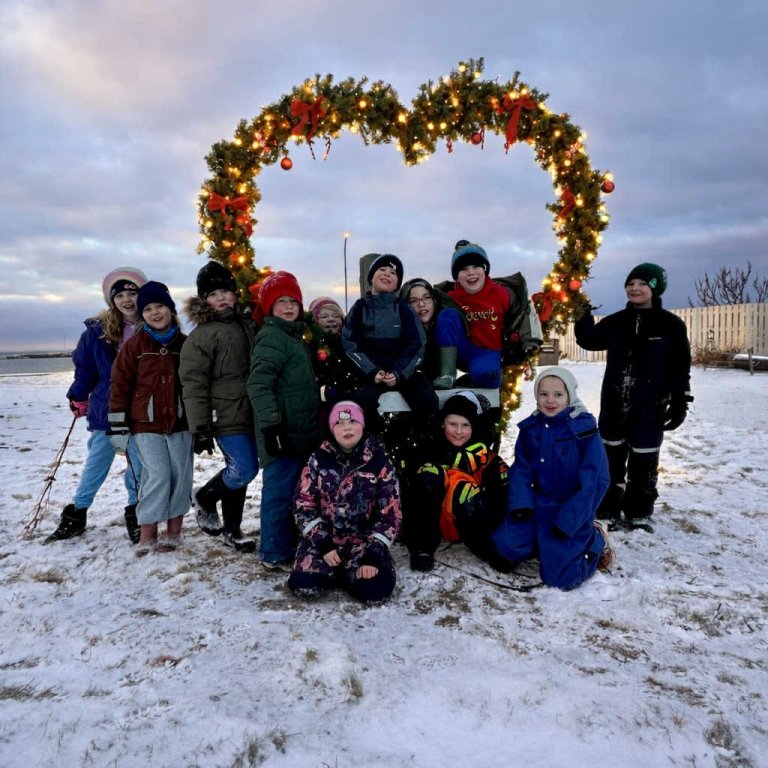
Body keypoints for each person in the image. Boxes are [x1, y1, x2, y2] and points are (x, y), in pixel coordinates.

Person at [574, 263, 693, 532]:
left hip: (650, 406)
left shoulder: (670, 325)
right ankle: (608, 508)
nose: (634, 288)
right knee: (611, 456)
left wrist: (680, 401)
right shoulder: (616, 322)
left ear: (654, 288)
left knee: (644, 459)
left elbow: (680, 366)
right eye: (630, 284)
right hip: (615, 403)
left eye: (642, 284)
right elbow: (589, 340)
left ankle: (639, 511)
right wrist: (581, 312)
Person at [45, 267, 148, 545]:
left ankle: (135, 513)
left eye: (133, 293)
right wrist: (78, 397)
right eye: (121, 295)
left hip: (140, 409)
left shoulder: (151, 325)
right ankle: (77, 513)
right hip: (106, 407)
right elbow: (85, 369)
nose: (127, 300)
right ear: (111, 300)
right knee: (96, 462)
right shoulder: (97, 331)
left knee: (138, 465)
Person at [491, 367, 615, 590]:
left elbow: (595, 482)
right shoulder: (530, 429)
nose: (550, 400)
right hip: (537, 505)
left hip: (568, 509)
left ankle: (594, 543)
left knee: (559, 579)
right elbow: (521, 469)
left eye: (558, 394)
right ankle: (543, 544)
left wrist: (570, 520)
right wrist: (521, 504)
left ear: (569, 396)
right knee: (506, 549)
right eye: (543, 394)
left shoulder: (584, 431)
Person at [180, 261, 259, 553]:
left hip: (252, 411)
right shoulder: (203, 336)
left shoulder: (248, 324)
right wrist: (200, 427)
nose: (222, 298)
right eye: (214, 294)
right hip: (224, 415)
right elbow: (193, 384)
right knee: (244, 469)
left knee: (241, 470)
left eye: (226, 291)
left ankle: (232, 530)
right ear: (204, 300)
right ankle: (204, 497)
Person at [288, 400, 401, 603]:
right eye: (339, 423)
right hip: (325, 542)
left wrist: (373, 554)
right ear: (331, 429)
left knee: (376, 590)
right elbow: (303, 506)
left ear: (363, 425)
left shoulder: (379, 462)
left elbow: (390, 514)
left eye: (352, 421)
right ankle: (333, 571)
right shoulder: (318, 459)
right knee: (304, 585)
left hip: (364, 544)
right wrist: (322, 543)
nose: (346, 427)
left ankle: (355, 571)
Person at [109, 281, 192, 556]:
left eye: (160, 307)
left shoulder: (185, 345)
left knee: (180, 476)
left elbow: (196, 385)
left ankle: (174, 532)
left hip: (181, 424)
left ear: (170, 309)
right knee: (156, 476)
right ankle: (147, 534)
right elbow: (119, 386)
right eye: (148, 309)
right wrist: (118, 425)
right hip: (145, 425)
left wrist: (201, 422)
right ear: (142, 314)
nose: (155, 313)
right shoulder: (134, 347)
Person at [246, 271, 321, 571]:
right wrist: (273, 426)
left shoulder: (291, 336)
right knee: (278, 492)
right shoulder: (273, 336)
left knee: (294, 492)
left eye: (294, 301)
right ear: (268, 307)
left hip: (298, 432)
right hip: (281, 433)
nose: (289, 307)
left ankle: (287, 545)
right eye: (281, 302)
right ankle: (273, 552)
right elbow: (258, 385)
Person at [407, 391, 509, 572]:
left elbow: (502, 492)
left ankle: (484, 545)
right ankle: (423, 546)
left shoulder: (485, 456)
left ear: (474, 426)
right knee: (429, 475)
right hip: (437, 518)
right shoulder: (430, 449)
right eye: (452, 424)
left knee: (466, 490)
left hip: (469, 517)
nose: (459, 431)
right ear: (442, 423)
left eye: (465, 425)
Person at [342, 254, 438, 425]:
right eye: (382, 269)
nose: (387, 274)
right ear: (371, 277)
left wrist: (399, 372)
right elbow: (350, 344)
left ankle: (418, 437)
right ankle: (372, 441)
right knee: (361, 402)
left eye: (393, 273)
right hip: (371, 374)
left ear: (397, 284)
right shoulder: (359, 308)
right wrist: (371, 371)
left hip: (401, 371)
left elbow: (417, 344)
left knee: (427, 400)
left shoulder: (404, 309)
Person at [435, 240, 542, 389]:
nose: (471, 272)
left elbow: (523, 311)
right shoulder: (448, 297)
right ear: (456, 276)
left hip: (487, 352)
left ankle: (474, 377)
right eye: (464, 269)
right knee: (447, 315)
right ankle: (447, 375)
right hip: (459, 349)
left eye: (476, 266)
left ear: (485, 269)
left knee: (489, 378)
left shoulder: (502, 293)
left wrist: (530, 339)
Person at [399, 278, 467, 389]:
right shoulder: (403, 333)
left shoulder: (447, 324)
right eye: (413, 301)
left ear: (434, 300)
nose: (421, 304)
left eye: (426, 298)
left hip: (448, 382)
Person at [305, 296, 361, 420]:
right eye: (324, 317)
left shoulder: (350, 345)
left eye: (336, 316)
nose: (331, 319)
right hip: (321, 408)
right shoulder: (309, 348)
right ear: (314, 321)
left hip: (350, 405)